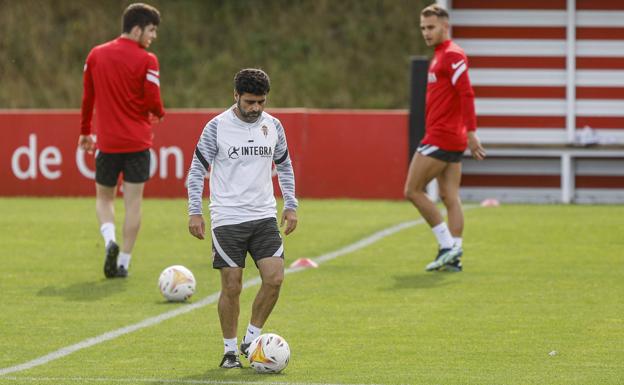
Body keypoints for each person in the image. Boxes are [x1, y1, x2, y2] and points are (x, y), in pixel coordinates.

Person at [187, 68, 298, 369]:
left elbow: (285, 166)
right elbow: (197, 170)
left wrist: (291, 204)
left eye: (261, 102)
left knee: (274, 279)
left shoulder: (273, 126)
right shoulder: (217, 127)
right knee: (232, 286)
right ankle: (229, 351)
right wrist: (194, 210)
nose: (256, 108)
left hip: (263, 216)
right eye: (249, 102)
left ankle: (252, 338)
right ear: (235, 96)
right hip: (227, 218)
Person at [79, 3, 165, 279]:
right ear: (137, 28)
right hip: (138, 144)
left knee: (104, 198)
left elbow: (87, 98)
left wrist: (84, 132)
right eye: (151, 30)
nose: (153, 36)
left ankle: (109, 240)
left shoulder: (96, 55)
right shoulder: (147, 60)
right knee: (133, 204)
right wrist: (160, 113)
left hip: (108, 144)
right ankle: (124, 262)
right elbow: (153, 100)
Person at [404, 4, 486, 272]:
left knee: (412, 190)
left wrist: (472, 132)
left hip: (443, 136)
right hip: (449, 136)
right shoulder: (440, 56)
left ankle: (448, 245)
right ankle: (455, 258)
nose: (426, 33)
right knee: (451, 197)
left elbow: (467, 94)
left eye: (431, 27)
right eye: (423, 28)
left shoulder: (452, 55)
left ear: (445, 26)